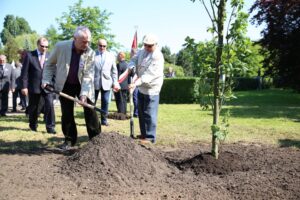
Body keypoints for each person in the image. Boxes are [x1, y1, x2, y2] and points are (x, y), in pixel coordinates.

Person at [42, 26, 101, 150]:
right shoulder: (60, 47)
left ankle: (96, 140)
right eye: (84, 41)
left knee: (90, 111)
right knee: (67, 113)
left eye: (88, 41)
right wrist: (46, 80)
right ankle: (69, 140)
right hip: (65, 84)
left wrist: (84, 94)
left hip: (83, 84)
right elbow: (49, 64)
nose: (87, 44)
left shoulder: (90, 52)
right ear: (74, 39)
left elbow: (88, 75)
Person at [128, 33, 164, 144]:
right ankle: (144, 134)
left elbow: (149, 75)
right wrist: (132, 67)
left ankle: (150, 137)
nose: (147, 47)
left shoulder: (157, 56)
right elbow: (133, 60)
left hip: (151, 88)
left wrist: (135, 83)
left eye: (150, 46)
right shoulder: (141, 51)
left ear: (155, 45)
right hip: (141, 87)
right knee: (141, 112)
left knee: (149, 113)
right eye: (145, 45)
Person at [21, 37, 56, 134]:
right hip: (34, 86)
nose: (44, 48)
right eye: (42, 46)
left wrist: (53, 84)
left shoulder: (50, 55)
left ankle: (50, 127)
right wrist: (24, 86)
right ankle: (33, 125)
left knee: (50, 105)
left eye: (46, 47)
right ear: (37, 45)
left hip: (48, 86)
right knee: (34, 107)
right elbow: (24, 73)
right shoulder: (29, 55)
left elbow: (54, 71)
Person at [94, 39, 120, 126]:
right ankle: (92, 120)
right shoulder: (92, 54)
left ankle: (104, 120)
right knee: (92, 102)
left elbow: (114, 71)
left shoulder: (111, 56)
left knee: (105, 101)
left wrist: (115, 82)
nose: (102, 47)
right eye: (100, 45)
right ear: (97, 45)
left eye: (104, 46)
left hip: (107, 83)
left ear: (106, 46)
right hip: (94, 83)